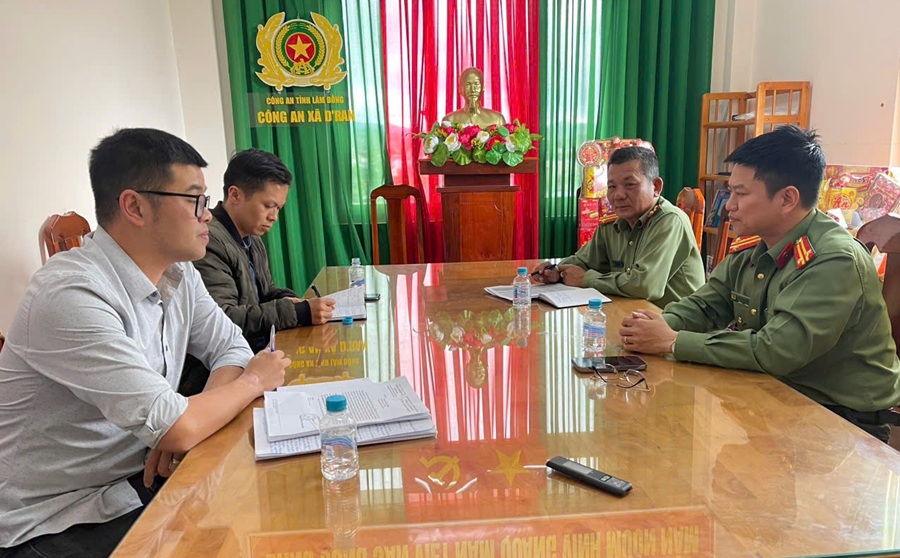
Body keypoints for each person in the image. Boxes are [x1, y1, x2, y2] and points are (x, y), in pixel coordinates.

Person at [0, 128, 291, 557]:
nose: (208, 216)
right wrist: (251, 383)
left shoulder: (179, 271)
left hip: (137, 481)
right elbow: (178, 424)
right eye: (194, 200)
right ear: (134, 206)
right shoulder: (71, 294)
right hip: (54, 520)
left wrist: (186, 426)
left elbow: (229, 347)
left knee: (271, 506)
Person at [620, 125, 900, 442]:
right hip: (777, 393)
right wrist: (651, 328)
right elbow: (705, 305)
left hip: (841, 420)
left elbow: (776, 350)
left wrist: (673, 342)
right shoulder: (757, 246)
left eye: (740, 194)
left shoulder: (833, 259)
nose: (729, 205)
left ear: (787, 199)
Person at [185, 149, 335, 395]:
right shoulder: (209, 241)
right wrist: (297, 313)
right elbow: (224, 320)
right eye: (268, 206)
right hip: (220, 374)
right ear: (235, 195)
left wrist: (290, 299)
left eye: (279, 208)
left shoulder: (251, 237)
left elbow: (263, 293)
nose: (274, 217)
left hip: (256, 355)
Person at [532, 146, 705, 307]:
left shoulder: (669, 221)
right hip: (632, 312)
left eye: (630, 185)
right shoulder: (612, 225)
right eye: (612, 186)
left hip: (673, 322)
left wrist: (586, 279)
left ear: (656, 187)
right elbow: (583, 261)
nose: (618, 195)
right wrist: (555, 271)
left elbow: (645, 285)